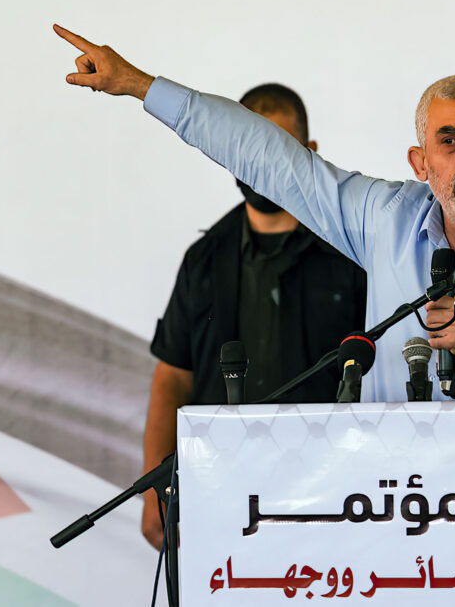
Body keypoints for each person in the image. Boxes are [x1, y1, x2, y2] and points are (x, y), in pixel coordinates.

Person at [53, 24, 455, 507]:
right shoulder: (384, 220)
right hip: (380, 511)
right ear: (421, 163)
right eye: (449, 140)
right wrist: (140, 85)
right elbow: (268, 156)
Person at [139, 83, 367, 549]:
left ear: (309, 151)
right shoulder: (204, 259)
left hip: (336, 499)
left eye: (276, 147)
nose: (261, 163)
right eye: (248, 147)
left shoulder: (355, 254)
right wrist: (152, 490)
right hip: (220, 498)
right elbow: (173, 377)